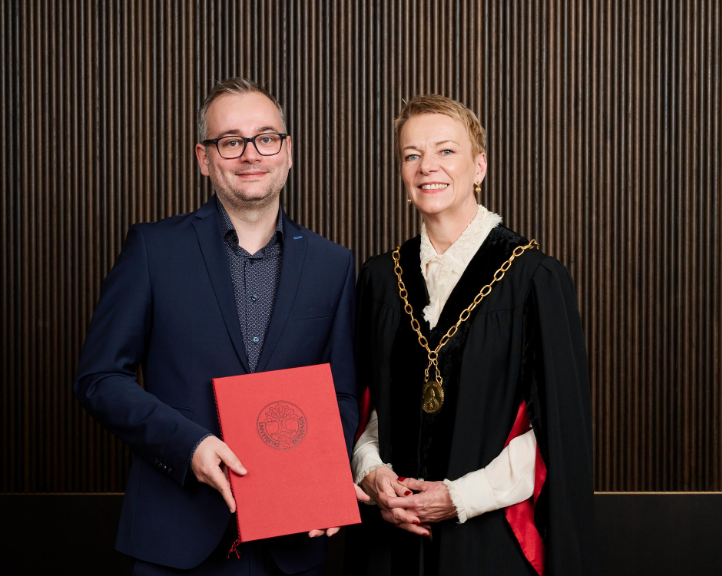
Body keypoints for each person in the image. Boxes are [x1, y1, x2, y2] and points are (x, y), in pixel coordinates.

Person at [74, 77, 364, 576]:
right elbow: (99, 379)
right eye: (230, 141)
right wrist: (188, 445)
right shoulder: (152, 251)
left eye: (265, 138)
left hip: (291, 543)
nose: (251, 154)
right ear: (205, 158)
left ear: (287, 151)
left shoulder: (333, 265)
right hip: (174, 540)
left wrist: (326, 484)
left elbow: (340, 395)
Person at [349, 95, 597, 575]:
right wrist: (373, 473)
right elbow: (366, 408)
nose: (427, 167)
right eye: (411, 154)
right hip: (392, 538)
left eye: (446, 151)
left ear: (479, 166)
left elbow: (556, 434)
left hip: (490, 539)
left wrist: (458, 497)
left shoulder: (534, 278)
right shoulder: (381, 279)